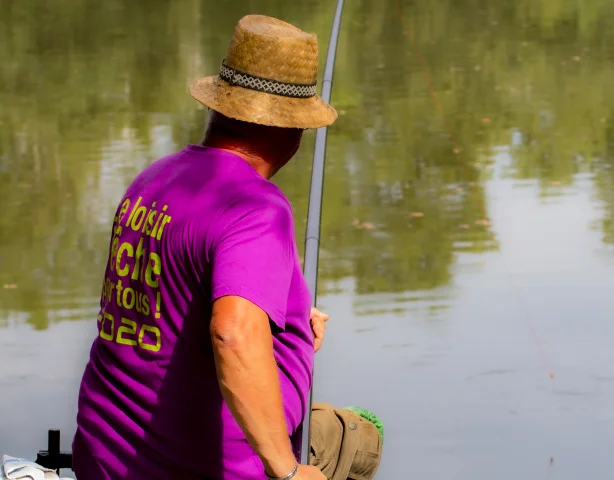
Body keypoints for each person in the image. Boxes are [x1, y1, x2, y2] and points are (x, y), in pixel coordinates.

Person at [71, 14, 382, 480]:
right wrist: (288, 471)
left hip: (106, 455)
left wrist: (288, 321)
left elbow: (168, 304)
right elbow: (232, 334)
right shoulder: (256, 207)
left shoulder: (154, 180)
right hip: (202, 466)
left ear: (218, 108)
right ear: (292, 129)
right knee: (358, 439)